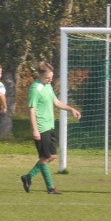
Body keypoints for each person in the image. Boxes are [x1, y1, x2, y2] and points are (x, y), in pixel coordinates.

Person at [21, 61, 81, 195]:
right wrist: (35, 130)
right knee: (44, 158)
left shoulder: (47, 86)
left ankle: (28, 177)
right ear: (40, 75)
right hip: (41, 128)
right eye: (48, 77)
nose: (50, 79)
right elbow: (31, 110)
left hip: (49, 126)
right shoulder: (35, 89)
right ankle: (51, 188)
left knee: (52, 156)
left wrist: (71, 109)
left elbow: (56, 102)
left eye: (51, 77)